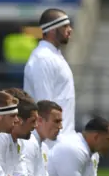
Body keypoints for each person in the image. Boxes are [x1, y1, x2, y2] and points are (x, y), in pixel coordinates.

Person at [23, 8, 75, 137]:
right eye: (65, 26)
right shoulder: (43, 59)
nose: (70, 29)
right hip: (52, 143)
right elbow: (44, 108)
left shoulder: (54, 55)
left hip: (61, 138)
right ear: (52, 29)